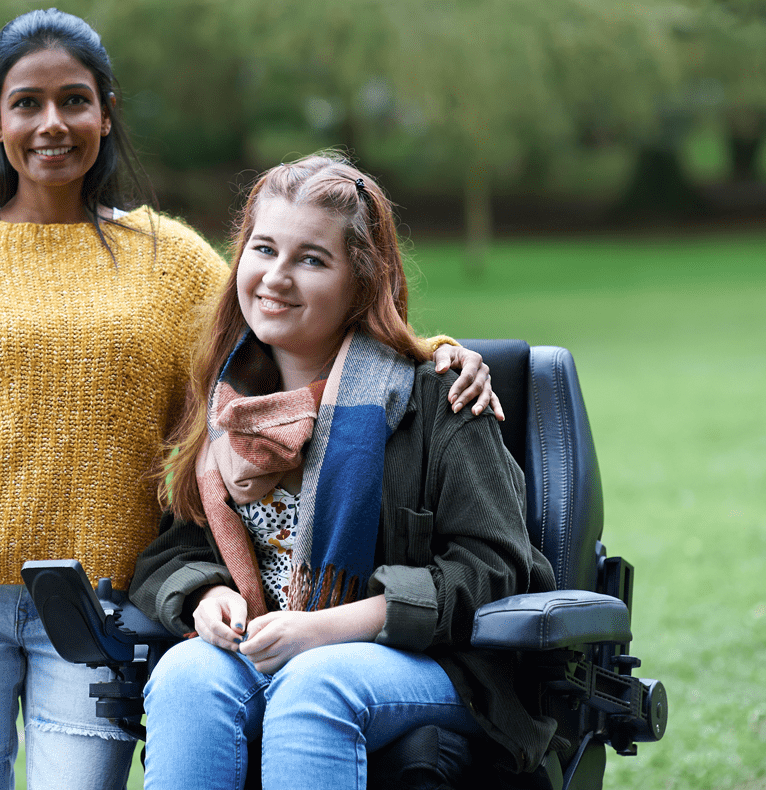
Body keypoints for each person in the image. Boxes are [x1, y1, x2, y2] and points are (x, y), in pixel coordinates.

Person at [0, 10, 500, 790]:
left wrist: (440, 352)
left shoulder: (171, 259)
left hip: (99, 598)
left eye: (75, 100)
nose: (53, 123)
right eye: (27, 103)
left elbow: (293, 311)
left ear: (106, 113)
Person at [130, 153, 558, 789]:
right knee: (186, 676)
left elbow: (496, 569)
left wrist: (326, 630)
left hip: (428, 662)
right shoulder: (221, 402)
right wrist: (205, 594)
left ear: (361, 282)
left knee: (314, 681)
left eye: (311, 259)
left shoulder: (440, 396)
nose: (276, 277)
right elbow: (178, 547)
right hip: (262, 645)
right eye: (263, 248)